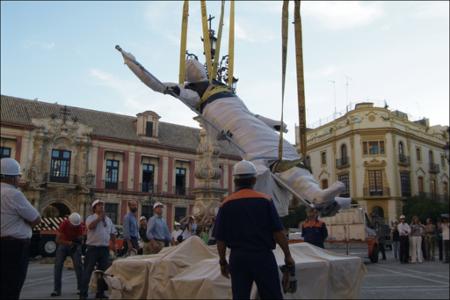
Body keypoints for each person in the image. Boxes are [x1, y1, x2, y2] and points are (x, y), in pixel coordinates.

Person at [116, 47, 352, 218]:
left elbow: (249, 112)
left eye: (197, 64)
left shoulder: (222, 87)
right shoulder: (190, 92)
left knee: (286, 154)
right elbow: (156, 83)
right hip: (237, 131)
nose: (195, 65)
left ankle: (317, 194)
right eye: (191, 67)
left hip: (252, 124)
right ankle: (315, 196)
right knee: (268, 161)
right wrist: (133, 63)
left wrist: (274, 124)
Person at [213, 160, 295, 299]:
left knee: (240, 296)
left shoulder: (225, 204)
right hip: (262, 257)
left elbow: (220, 239)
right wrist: (287, 255)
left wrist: (222, 262)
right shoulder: (265, 201)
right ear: (254, 180)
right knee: (272, 295)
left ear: (235, 180)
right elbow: (278, 232)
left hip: (238, 259)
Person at [1, 158, 41, 300]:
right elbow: (36, 219)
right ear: (12, 177)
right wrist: (25, 222)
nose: (20, 178)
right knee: (12, 286)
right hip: (14, 247)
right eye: (18, 176)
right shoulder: (14, 194)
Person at [79, 199, 117, 300]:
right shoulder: (90, 218)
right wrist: (99, 218)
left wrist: (114, 244)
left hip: (104, 249)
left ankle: (100, 293)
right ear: (94, 208)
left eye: (102, 205)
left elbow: (112, 232)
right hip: (93, 249)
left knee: (103, 272)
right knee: (88, 271)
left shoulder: (108, 220)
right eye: (99, 205)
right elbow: (90, 227)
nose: (101, 207)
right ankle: (83, 293)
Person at [51, 212, 85, 297]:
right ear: (69, 222)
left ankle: (81, 288)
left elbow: (81, 241)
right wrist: (68, 243)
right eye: (73, 225)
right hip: (63, 244)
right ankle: (56, 290)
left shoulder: (79, 226)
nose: (74, 227)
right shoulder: (64, 224)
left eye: (76, 226)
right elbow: (57, 240)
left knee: (78, 266)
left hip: (74, 245)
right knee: (58, 266)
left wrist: (78, 242)